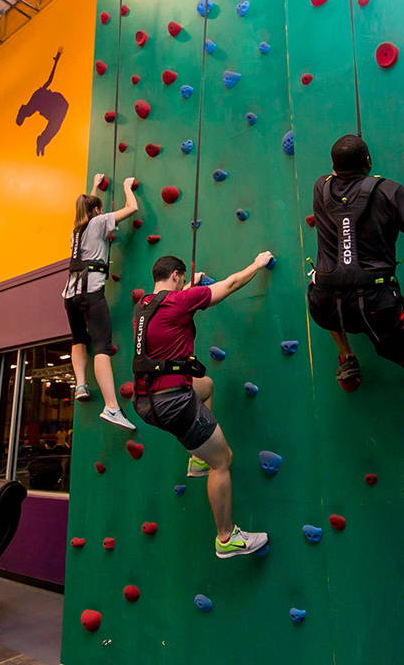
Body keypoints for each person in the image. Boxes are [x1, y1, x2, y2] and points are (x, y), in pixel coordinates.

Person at [306, 134, 404, 501]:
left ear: (333, 168)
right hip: (376, 304)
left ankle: (347, 355)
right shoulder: (389, 191)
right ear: (368, 162)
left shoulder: (320, 187)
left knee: (319, 280)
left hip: (326, 304)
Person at [132, 252, 273, 558]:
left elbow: (168, 303)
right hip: (173, 403)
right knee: (222, 460)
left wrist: (187, 286)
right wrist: (257, 264)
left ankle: (197, 457)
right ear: (176, 277)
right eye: (182, 280)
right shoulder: (182, 301)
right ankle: (226, 537)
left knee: (206, 386)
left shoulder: (142, 307)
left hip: (145, 401)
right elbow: (231, 283)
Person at [64, 173, 139, 429]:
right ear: (96, 211)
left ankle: (81, 384)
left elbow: (85, 205)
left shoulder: (76, 231)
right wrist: (127, 187)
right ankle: (111, 406)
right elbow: (132, 208)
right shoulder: (98, 222)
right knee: (102, 347)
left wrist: (94, 187)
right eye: (101, 208)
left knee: (78, 339)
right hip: (91, 292)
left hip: (70, 295)